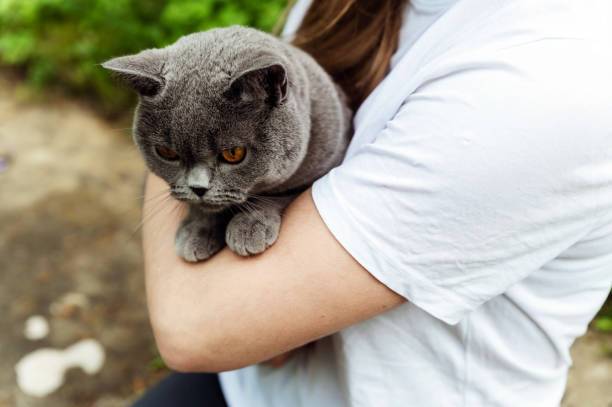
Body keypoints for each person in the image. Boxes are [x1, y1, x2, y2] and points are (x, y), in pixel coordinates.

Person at [134, 0, 612, 406]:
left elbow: (194, 326)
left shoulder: (546, 78)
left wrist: (183, 117)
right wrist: (188, 107)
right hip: (253, 383)